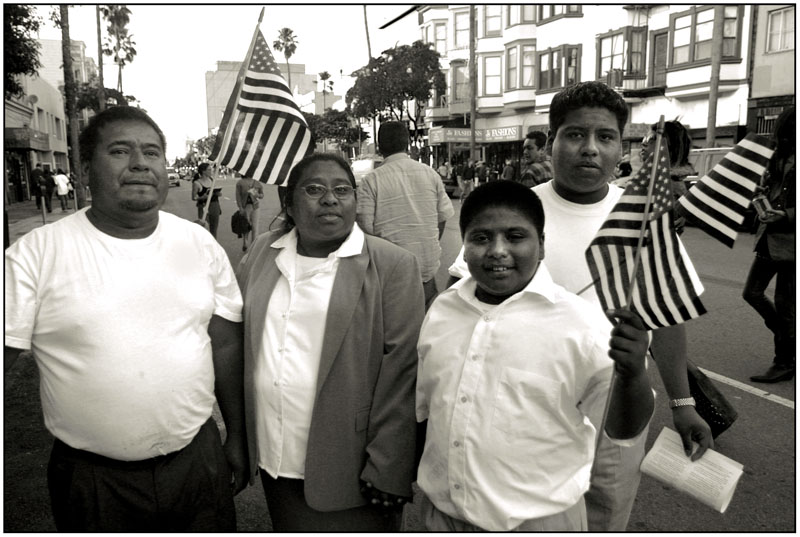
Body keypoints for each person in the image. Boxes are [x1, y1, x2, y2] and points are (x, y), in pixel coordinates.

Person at [447, 80, 713, 531]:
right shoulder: (516, 212)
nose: (590, 149)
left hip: (616, 401)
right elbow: (462, 301)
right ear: (552, 142)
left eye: (605, 137)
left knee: (604, 513)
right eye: (575, 135)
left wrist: (683, 401)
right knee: (524, 514)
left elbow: (667, 316)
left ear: (619, 146)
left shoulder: (643, 216)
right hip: (524, 403)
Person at [4, 106, 247, 531]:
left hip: (197, 462)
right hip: (93, 481)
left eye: (152, 152)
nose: (140, 163)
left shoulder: (199, 243)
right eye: (120, 151)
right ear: (84, 170)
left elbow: (225, 343)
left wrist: (239, 437)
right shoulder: (34, 255)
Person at [417, 180, 652, 531]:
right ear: (463, 249)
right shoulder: (442, 311)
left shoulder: (582, 326)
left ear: (541, 245)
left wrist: (633, 376)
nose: (497, 250)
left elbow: (621, 429)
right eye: (481, 238)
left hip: (539, 523)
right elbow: (428, 411)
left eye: (515, 237)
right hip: (441, 518)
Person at [236, 153, 424, 531]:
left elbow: (403, 373)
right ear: (288, 203)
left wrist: (388, 467)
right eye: (314, 189)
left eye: (342, 190)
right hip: (275, 456)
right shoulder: (263, 252)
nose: (330, 199)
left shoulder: (392, 265)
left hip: (350, 467)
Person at [356, 121, 454, 308]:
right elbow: (442, 218)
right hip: (427, 272)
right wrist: (427, 244)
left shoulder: (372, 180)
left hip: (391, 274)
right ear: (407, 143)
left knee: (396, 332)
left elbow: (365, 230)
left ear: (379, 146)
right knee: (426, 329)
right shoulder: (430, 174)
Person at [744, 106, 795, 383]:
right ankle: (788, 338)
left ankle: (785, 360)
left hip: (791, 243)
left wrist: (786, 214)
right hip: (769, 236)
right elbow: (771, 192)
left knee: (785, 304)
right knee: (752, 293)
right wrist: (761, 194)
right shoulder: (779, 158)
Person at [235, 173, 265, 251]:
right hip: (245, 207)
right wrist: (240, 207)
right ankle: (245, 242)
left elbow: (262, 195)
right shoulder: (240, 183)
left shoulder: (257, 182)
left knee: (255, 227)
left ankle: (253, 246)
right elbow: (238, 196)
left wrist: (257, 194)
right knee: (246, 226)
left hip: (255, 206)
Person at [192, 162, 222, 238]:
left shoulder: (212, 180)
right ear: (203, 171)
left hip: (214, 205)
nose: (211, 171)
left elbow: (215, 191)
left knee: (214, 229)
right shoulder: (197, 183)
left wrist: (218, 193)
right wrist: (202, 197)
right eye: (209, 169)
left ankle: (214, 246)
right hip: (203, 206)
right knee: (204, 228)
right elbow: (193, 197)